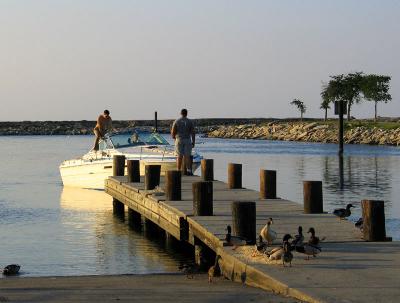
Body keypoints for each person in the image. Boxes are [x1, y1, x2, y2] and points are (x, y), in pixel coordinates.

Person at [171, 109, 195, 175]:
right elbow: (193, 133)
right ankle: (189, 170)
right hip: (187, 139)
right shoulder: (190, 121)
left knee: (179, 156)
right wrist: (193, 142)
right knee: (187, 156)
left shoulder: (177, 121)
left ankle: (178, 170)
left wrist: (174, 138)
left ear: (180, 113)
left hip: (179, 139)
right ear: (186, 113)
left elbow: (173, 132)